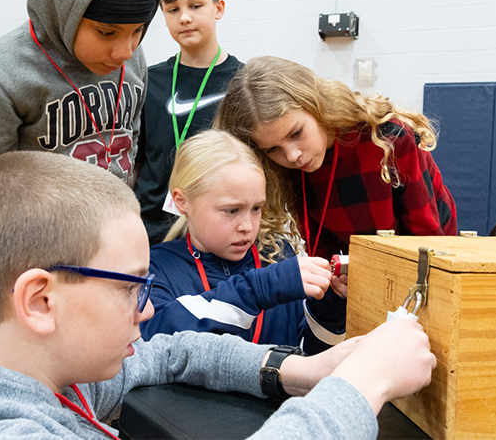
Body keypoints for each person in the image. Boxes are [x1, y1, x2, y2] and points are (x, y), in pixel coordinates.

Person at [0, 151, 437, 439]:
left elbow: (170, 353)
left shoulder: (45, 379)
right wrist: (362, 384)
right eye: (130, 288)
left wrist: (296, 369)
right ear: (40, 301)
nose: (145, 309)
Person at [215, 56, 459, 260]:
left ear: (316, 105)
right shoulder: (287, 168)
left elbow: (427, 236)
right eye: (273, 149)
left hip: (429, 253)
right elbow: (321, 243)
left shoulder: (389, 139)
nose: (293, 156)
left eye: (297, 133)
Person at [0, 0, 166, 202]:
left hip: (113, 223)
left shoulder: (134, 59)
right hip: (39, 232)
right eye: (106, 32)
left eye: (138, 30)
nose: (125, 52)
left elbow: (132, 135)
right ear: (63, 11)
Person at [140, 130, 346, 355]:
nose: (247, 226)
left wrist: (329, 309)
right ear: (182, 202)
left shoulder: (276, 255)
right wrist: (261, 288)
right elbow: (154, 342)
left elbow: (311, 357)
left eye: (256, 208)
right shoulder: (154, 266)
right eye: (232, 210)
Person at [134, 0, 244, 245]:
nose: (184, 18)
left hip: (217, 235)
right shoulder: (149, 80)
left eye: (195, 6)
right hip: (153, 232)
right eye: (173, 9)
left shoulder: (245, 82)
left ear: (218, 8)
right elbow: (137, 163)